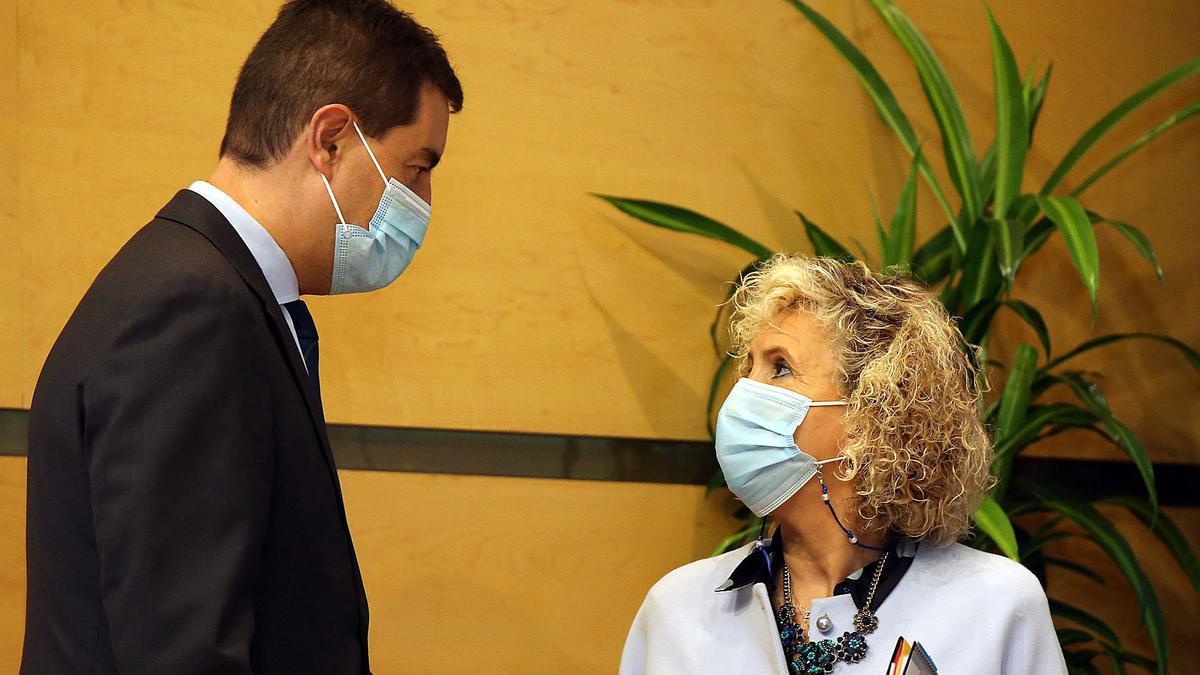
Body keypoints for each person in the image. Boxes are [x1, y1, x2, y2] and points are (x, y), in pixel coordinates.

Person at [21, 1, 462, 673]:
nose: (424, 203)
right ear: (332, 139)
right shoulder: (194, 309)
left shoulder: (208, 286)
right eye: (417, 167)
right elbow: (184, 650)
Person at [619, 255, 1067, 674]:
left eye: (779, 368)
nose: (742, 396)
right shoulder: (676, 609)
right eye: (748, 368)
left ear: (871, 415)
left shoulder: (997, 606)